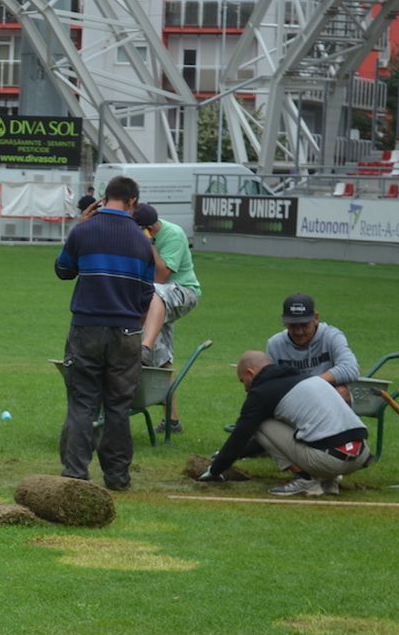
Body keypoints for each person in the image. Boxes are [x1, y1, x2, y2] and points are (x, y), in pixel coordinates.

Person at [54, 176, 156, 491]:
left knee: (83, 402)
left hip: (86, 328)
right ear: (133, 202)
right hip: (126, 332)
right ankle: (117, 477)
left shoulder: (84, 231)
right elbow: (145, 295)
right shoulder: (142, 242)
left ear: (103, 198)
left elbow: (63, 270)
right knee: (118, 407)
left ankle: (75, 474)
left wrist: (79, 225)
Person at [199, 351, 370, 496]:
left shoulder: (261, 394)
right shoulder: (307, 379)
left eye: (242, 381)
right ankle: (328, 481)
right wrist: (227, 454)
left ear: (250, 373)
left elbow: (241, 435)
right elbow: (268, 442)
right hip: (361, 454)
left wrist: (215, 470)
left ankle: (305, 480)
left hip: (329, 461)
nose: (244, 388)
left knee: (261, 423)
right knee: (312, 428)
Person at [134, 203, 202, 436]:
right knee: (161, 360)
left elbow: (162, 275)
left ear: (150, 229)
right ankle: (172, 422)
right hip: (156, 301)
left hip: (183, 291)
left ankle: (144, 346)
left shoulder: (173, 234)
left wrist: (148, 244)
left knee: (152, 291)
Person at [266, 293, 358, 404]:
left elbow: (350, 368)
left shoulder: (331, 336)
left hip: (326, 396)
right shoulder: (275, 344)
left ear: (316, 318)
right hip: (293, 400)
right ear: (284, 321)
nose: (299, 332)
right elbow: (268, 383)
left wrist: (310, 384)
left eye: (304, 324)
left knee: (341, 392)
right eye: (293, 325)